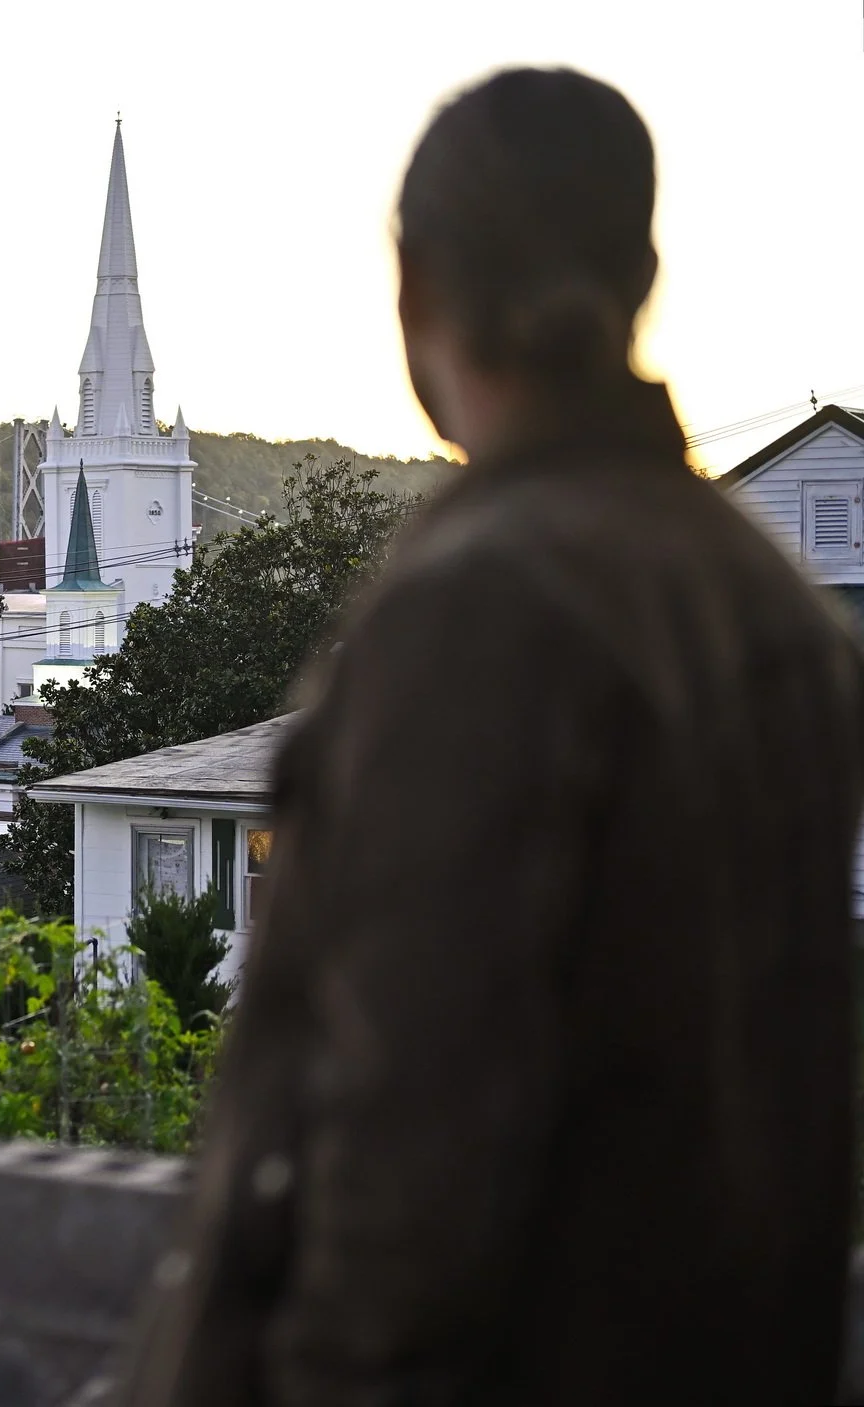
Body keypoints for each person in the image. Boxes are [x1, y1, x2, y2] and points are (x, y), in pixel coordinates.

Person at [118, 68, 864, 1406]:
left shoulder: (486, 606)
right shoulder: (785, 622)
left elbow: (407, 1164)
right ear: (640, 275)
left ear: (417, 294)